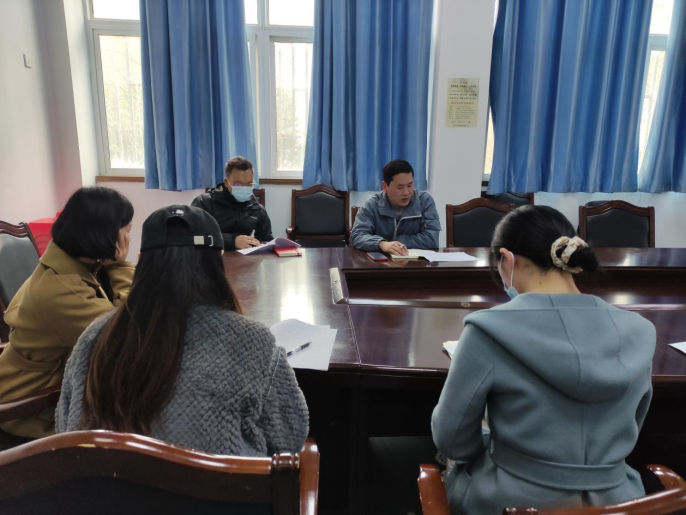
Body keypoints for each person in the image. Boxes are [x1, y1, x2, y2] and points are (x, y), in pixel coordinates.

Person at [432, 205, 655, 514]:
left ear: (507, 259)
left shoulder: (487, 329)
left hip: (510, 500)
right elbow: (634, 424)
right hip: (619, 502)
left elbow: (452, 438)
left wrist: (490, 440)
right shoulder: (640, 331)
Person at [56, 205, 309, 456]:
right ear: (218, 260)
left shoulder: (97, 335)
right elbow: (289, 438)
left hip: (103, 482)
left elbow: (64, 424)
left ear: (141, 261)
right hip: (223, 483)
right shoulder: (253, 341)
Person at [0, 187, 135, 438]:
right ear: (104, 234)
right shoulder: (63, 290)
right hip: (32, 408)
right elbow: (126, 335)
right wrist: (120, 266)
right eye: (126, 231)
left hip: (45, 384)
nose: (128, 238)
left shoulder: (68, 265)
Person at [350, 159, 440, 256]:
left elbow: (432, 239)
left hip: (415, 262)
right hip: (381, 263)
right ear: (385, 186)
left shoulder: (424, 201)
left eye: (410, 185)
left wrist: (395, 242)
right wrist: (381, 243)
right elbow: (357, 236)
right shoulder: (372, 205)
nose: (406, 192)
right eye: (400, 187)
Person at [191, 156, 273, 251]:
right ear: (226, 182)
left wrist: (260, 245)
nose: (244, 188)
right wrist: (233, 241)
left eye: (249, 184)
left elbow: (266, 240)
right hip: (210, 256)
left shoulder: (256, 208)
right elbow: (192, 236)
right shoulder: (204, 202)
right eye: (238, 184)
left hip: (243, 258)